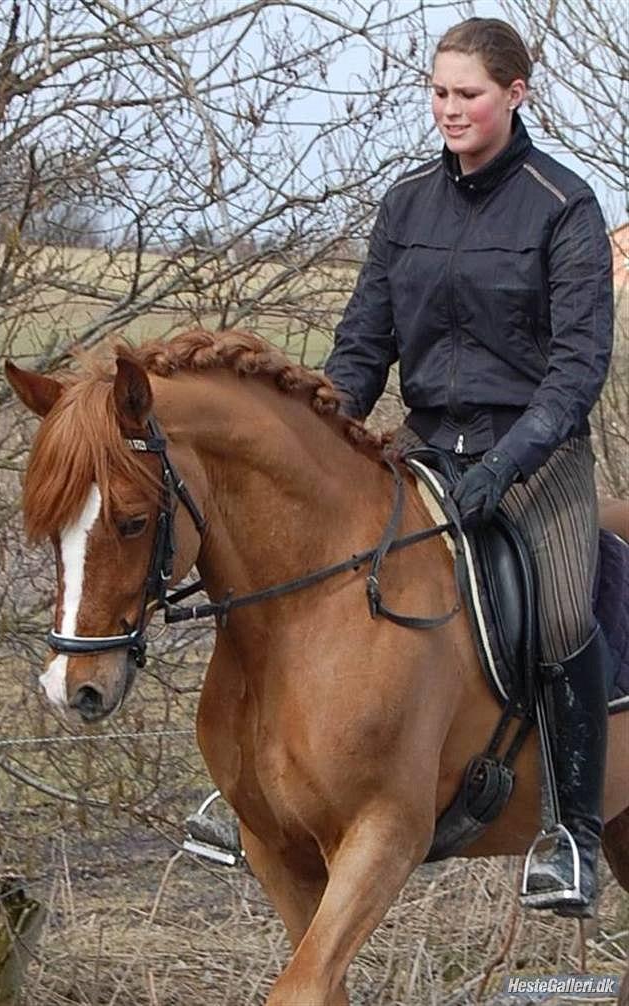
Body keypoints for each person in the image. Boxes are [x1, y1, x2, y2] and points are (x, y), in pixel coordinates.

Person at [324, 17, 614, 917]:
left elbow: (577, 368)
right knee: (317, 572)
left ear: (515, 94)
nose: (450, 109)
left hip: (537, 455)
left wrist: (512, 462)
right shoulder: (405, 203)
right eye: (440, 92)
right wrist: (321, 428)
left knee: (563, 612)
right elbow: (362, 345)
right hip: (423, 443)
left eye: (469, 95)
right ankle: (264, 784)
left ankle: (572, 834)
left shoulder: (564, 204)